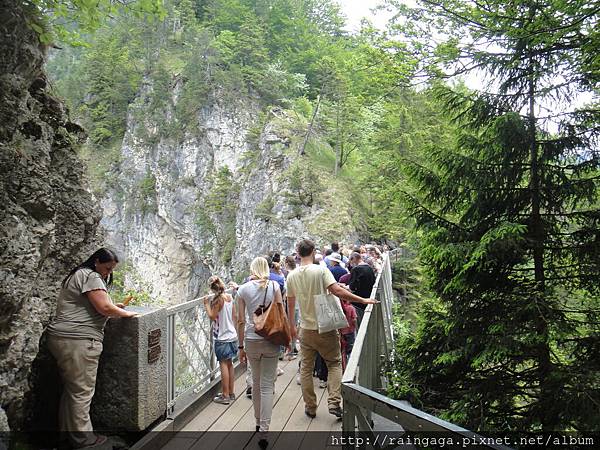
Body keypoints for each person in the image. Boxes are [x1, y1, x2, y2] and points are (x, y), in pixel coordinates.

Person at [46, 248, 137, 449]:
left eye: (111, 270)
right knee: (82, 391)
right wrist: (126, 314)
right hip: (79, 340)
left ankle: (66, 435)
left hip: (61, 338)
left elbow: (93, 305)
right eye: (106, 268)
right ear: (96, 261)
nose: (107, 273)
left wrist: (115, 306)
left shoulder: (78, 274)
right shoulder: (91, 276)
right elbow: (104, 308)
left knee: (72, 389)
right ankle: (84, 440)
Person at [286, 239, 378, 419]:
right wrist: (362, 300)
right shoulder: (321, 270)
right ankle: (334, 402)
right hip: (325, 327)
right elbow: (337, 291)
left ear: (298, 252)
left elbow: (290, 304)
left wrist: (291, 327)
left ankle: (310, 406)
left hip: (305, 328)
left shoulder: (292, 276)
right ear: (313, 251)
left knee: (306, 367)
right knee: (334, 363)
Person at [236, 257, 284, 449]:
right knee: (266, 385)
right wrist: (286, 339)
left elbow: (240, 320)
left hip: (251, 339)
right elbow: (281, 313)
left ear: (252, 269)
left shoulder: (243, 289)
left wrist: (240, 347)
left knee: (255, 383)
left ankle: (257, 422)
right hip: (271, 339)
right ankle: (264, 429)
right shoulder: (274, 286)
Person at [204, 276, 237, 405]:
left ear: (212, 289)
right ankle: (231, 392)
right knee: (230, 364)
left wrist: (207, 304)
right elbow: (234, 315)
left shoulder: (218, 301)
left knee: (223, 364)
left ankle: (225, 395)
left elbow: (212, 316)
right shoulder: (229, 297)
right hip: (232, 335)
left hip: (222, 337)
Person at [348, 252, 376, 325]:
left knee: (360, 322)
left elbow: (352, 287)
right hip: (369, 296)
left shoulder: (356, 270)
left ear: (353, 259)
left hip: (359, 301)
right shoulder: (369, 267)